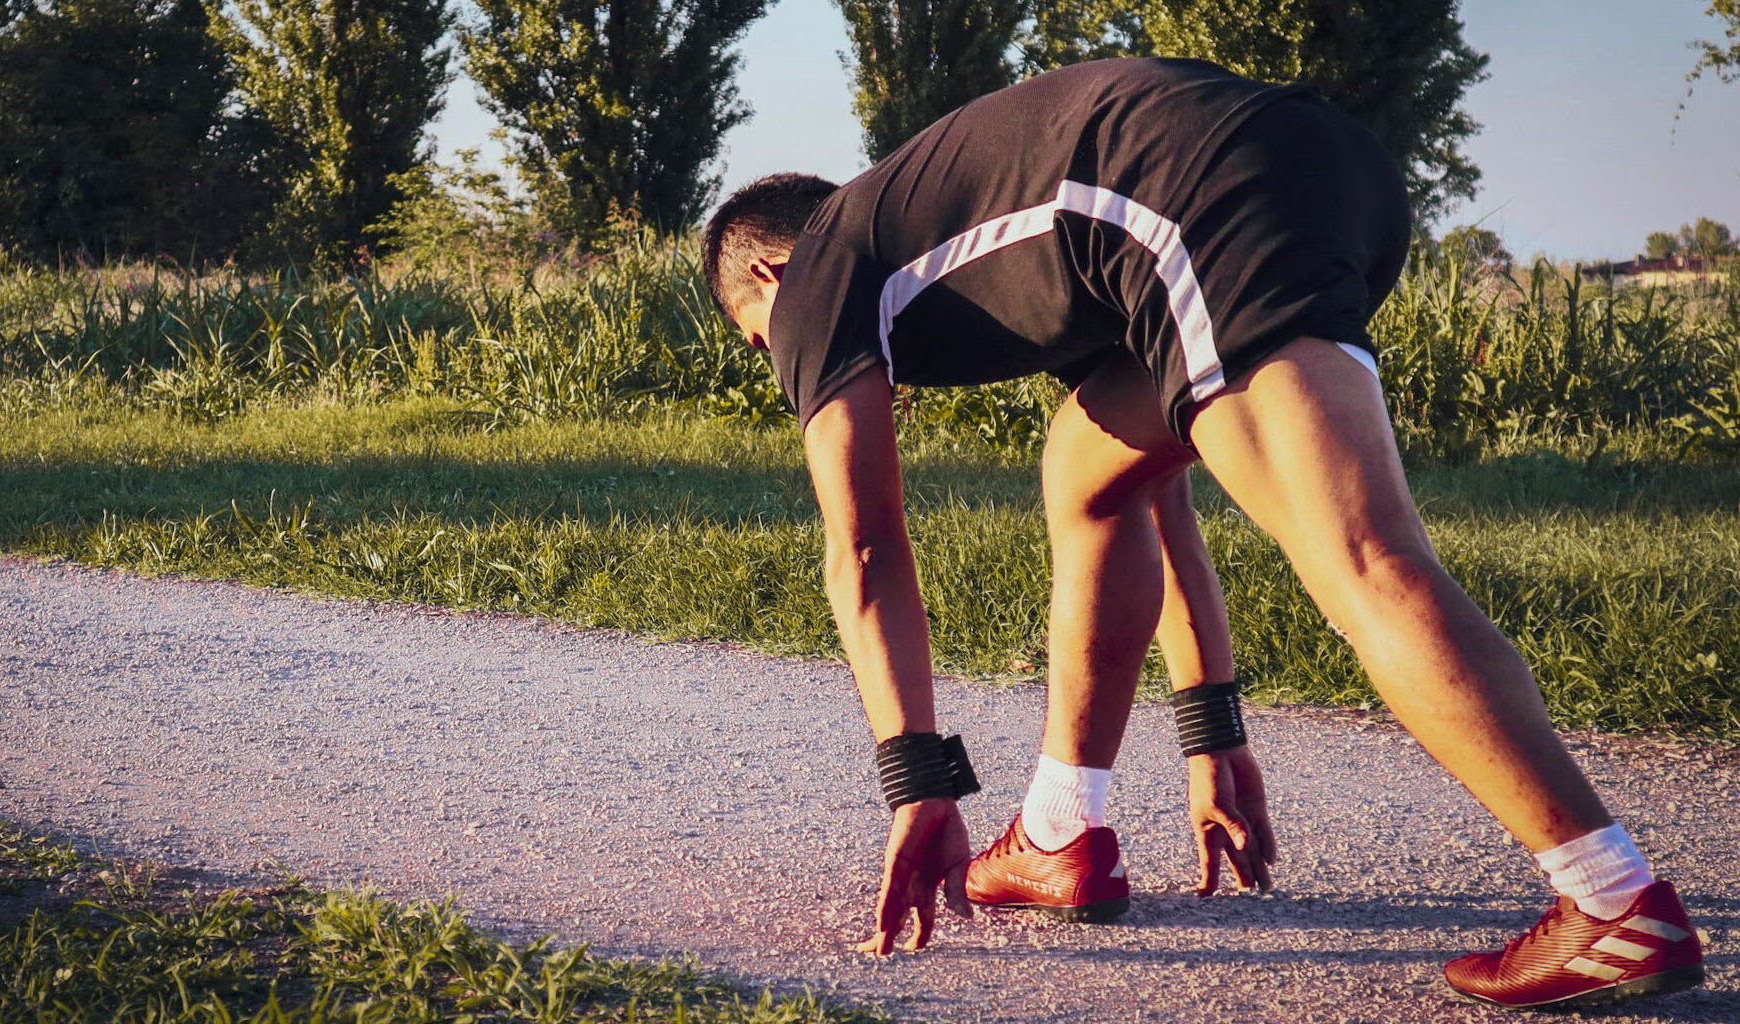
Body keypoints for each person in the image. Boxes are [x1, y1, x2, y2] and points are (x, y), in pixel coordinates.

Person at [700, 57, 1703, 1010]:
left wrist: (917, 781)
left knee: (1362, 557)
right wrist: (1209, 733)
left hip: (1203, 184)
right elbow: (1161, 485)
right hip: (1324, 170)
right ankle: (1062, 831)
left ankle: (1611, 897)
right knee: (1087, 470)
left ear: (769, 277)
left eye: (760, 344)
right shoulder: (985, 240)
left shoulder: (822, 261)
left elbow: (865, 546)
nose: (780, 365)